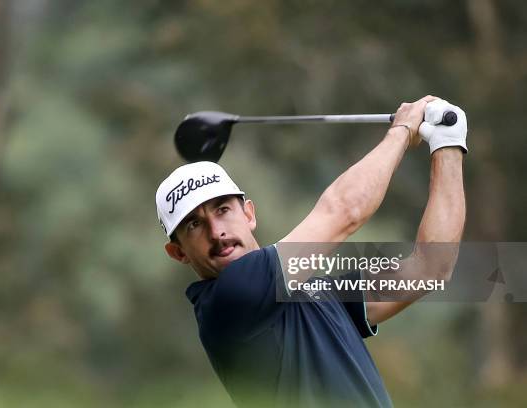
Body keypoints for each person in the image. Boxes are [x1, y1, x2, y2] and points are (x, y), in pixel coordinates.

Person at [155, 96, 467, 407]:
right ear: (178, 252)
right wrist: (402, 129)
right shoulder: (229, 300)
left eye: (222, 209)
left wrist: (448, 145)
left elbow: (431, 268)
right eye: (194, 225)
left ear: (249, 214)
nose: (216, 232)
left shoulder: (316, 293)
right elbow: (345, 211)